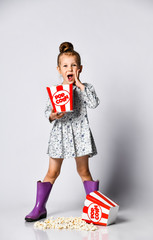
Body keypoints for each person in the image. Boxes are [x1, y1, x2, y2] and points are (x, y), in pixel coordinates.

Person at [25, 42, 100, 222]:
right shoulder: (57, 91)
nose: (70, 68)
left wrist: (80, 84)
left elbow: (94, 103)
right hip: (60, 135)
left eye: (73, 65)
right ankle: (39, 207)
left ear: (79, 68)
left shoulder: (85, 88)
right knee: (52, 172)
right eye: (65, 65)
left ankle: (94, 209)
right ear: (59, 69)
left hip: (80, 134)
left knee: (84, 171)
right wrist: (53, 115)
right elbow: (47, 112)